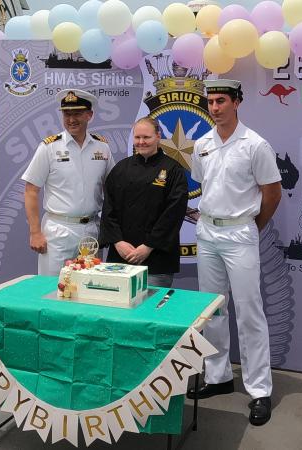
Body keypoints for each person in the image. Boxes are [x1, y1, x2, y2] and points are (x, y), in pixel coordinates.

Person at [186, 79, 282, 426]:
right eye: (211, 102)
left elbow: (272, 192)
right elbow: (201, 182)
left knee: (249, 311)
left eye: (221, 101)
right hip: (208, 232)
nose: (215, 107)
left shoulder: (255, 144)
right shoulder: (202, 144)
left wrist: (252, 227)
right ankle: (218, 376)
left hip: (240, 232)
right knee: (212, 310)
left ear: (237, 102)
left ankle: (259, 390)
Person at [22, 89, 115, 276]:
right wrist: (35, 233)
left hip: (91, 231)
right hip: (58, 231)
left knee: (89, 287)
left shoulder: (102, 147)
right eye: (67, 114)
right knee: (52, 288)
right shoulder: (49, 147)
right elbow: (31, 190)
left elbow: (111, 187)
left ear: (89, 115)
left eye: (77, 114)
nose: (71, 119)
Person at [99, 117, 188, 288]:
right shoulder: (121, 169)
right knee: (117, 310)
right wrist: (118, 242)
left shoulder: (173, 170)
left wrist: (148, 246)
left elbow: (173, 215)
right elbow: (108, 208)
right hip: (121, 258)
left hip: (156, 259)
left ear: (158, 136)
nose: (141, 142)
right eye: (137, 137)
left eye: (146, 137)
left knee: (152, 311)